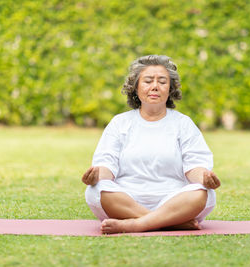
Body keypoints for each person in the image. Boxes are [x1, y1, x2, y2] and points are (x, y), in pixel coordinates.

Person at [82, 55, 220, 234]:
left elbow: (195, 166)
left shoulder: (183, 123)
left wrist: (204, 178)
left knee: (204, 193)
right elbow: (106, 165)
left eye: (162, 81)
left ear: (170, 88)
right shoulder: (120, 123)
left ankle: (135, 224)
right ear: (136, 86)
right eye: (148, 81)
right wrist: (96, 176)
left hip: (174, 200)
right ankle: (169, 222)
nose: (155, 86)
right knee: (95, 190)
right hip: (127, 200)